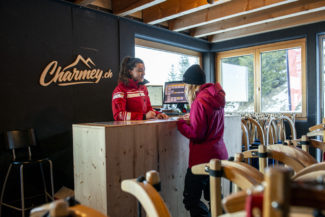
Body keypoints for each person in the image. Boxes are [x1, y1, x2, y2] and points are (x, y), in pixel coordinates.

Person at [176, 64, 228, 217]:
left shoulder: (199, 101)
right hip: (218, 154)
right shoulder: (214, 96)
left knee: (190, 199)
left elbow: (197, 134)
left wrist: (180, 124)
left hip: (202, 159)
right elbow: (208, 123)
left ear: (191, 86)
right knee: (214, 197)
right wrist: (191, 118)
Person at [112, 56, 168, 121]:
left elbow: (148, 109)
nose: (144, 73)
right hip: (129, 129)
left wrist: (158, 114)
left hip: (143, 128)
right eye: (140, 71)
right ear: (130, 71)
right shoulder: (120, 90)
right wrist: (144, 116)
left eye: (144, 70)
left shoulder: (143, 88)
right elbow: (119, 115)